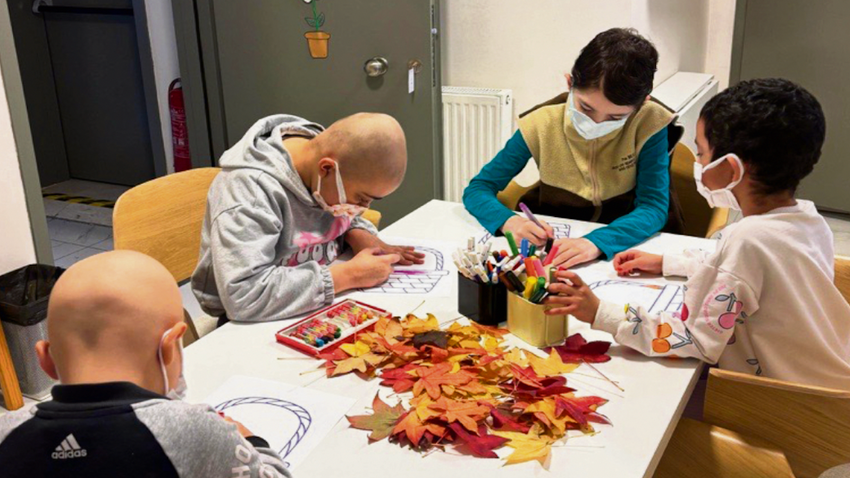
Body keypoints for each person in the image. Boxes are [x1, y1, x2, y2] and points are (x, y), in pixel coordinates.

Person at [546, 79, 850, 390]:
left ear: (731, 170)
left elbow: (694, 339)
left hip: (796, 408)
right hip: (835, 378)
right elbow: (757, 273)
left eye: (702, 154)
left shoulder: (748, 240)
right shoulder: (808, 220)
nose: (699, 164)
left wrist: (600, 312)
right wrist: (669, 262)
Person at [0, 251, 291, 477]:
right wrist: (251, 442)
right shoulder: (197, 431)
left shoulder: (6, 433)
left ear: (45, 361)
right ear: (170, 348)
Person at [463, 28, 681, 269]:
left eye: (615, 117)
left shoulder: (650, 122)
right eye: (586, 108)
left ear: (643, 104)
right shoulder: (541, 122)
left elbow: (653, 207)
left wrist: (596, 242)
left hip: (621, 249)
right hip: (552, 247)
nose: (597, 123)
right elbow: (478, 189)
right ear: (570, 83)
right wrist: (509, 222)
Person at [192, 112, 424, 323]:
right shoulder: (249, 193)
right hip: (253, 321)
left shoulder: (319, 165)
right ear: (326, 169)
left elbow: (335, 211)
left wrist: (357, 233)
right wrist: (349, 275)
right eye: (361, 198)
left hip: (316, 303)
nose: (363, 208)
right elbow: (244, 296)